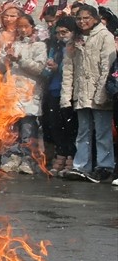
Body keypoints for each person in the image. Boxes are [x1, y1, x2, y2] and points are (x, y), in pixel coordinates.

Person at [60, 1, 116, 183]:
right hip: (81, 93)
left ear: (95, 19)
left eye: (86, 18)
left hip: (100, 92)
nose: (82, 21)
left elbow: (107, 67)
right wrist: (66, 97)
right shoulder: (74, 40)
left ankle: (105, 166)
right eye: (79, 18)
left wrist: (101, 94)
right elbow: (68, 70)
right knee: (83, 131)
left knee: (102, 132)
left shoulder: (105, 36)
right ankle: (81, 166)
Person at [0, 13, 47, 175]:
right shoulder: (10, 45)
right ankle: (12, 157)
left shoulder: (39, 46)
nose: (23, 30)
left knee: (28, 130)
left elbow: (39, 68)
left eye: (26, 26)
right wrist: (6, 59)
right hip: (11, 94)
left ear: (32, 27)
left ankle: (28, 159)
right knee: (11, 131)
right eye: (20, 27)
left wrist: (20, 60)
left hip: (29, 94)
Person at [42, 16, 78, 176]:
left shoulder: (75, 47)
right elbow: (45, 71)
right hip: (53, 90)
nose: (61, 35)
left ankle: (71, 156)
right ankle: (61, 154)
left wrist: (59, 68)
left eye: (64, 32)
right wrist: (49, 67)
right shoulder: (55, 47)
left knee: (70, 127)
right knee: (55, 126)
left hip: (69, 92)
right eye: (58, 32)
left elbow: (75, 69)